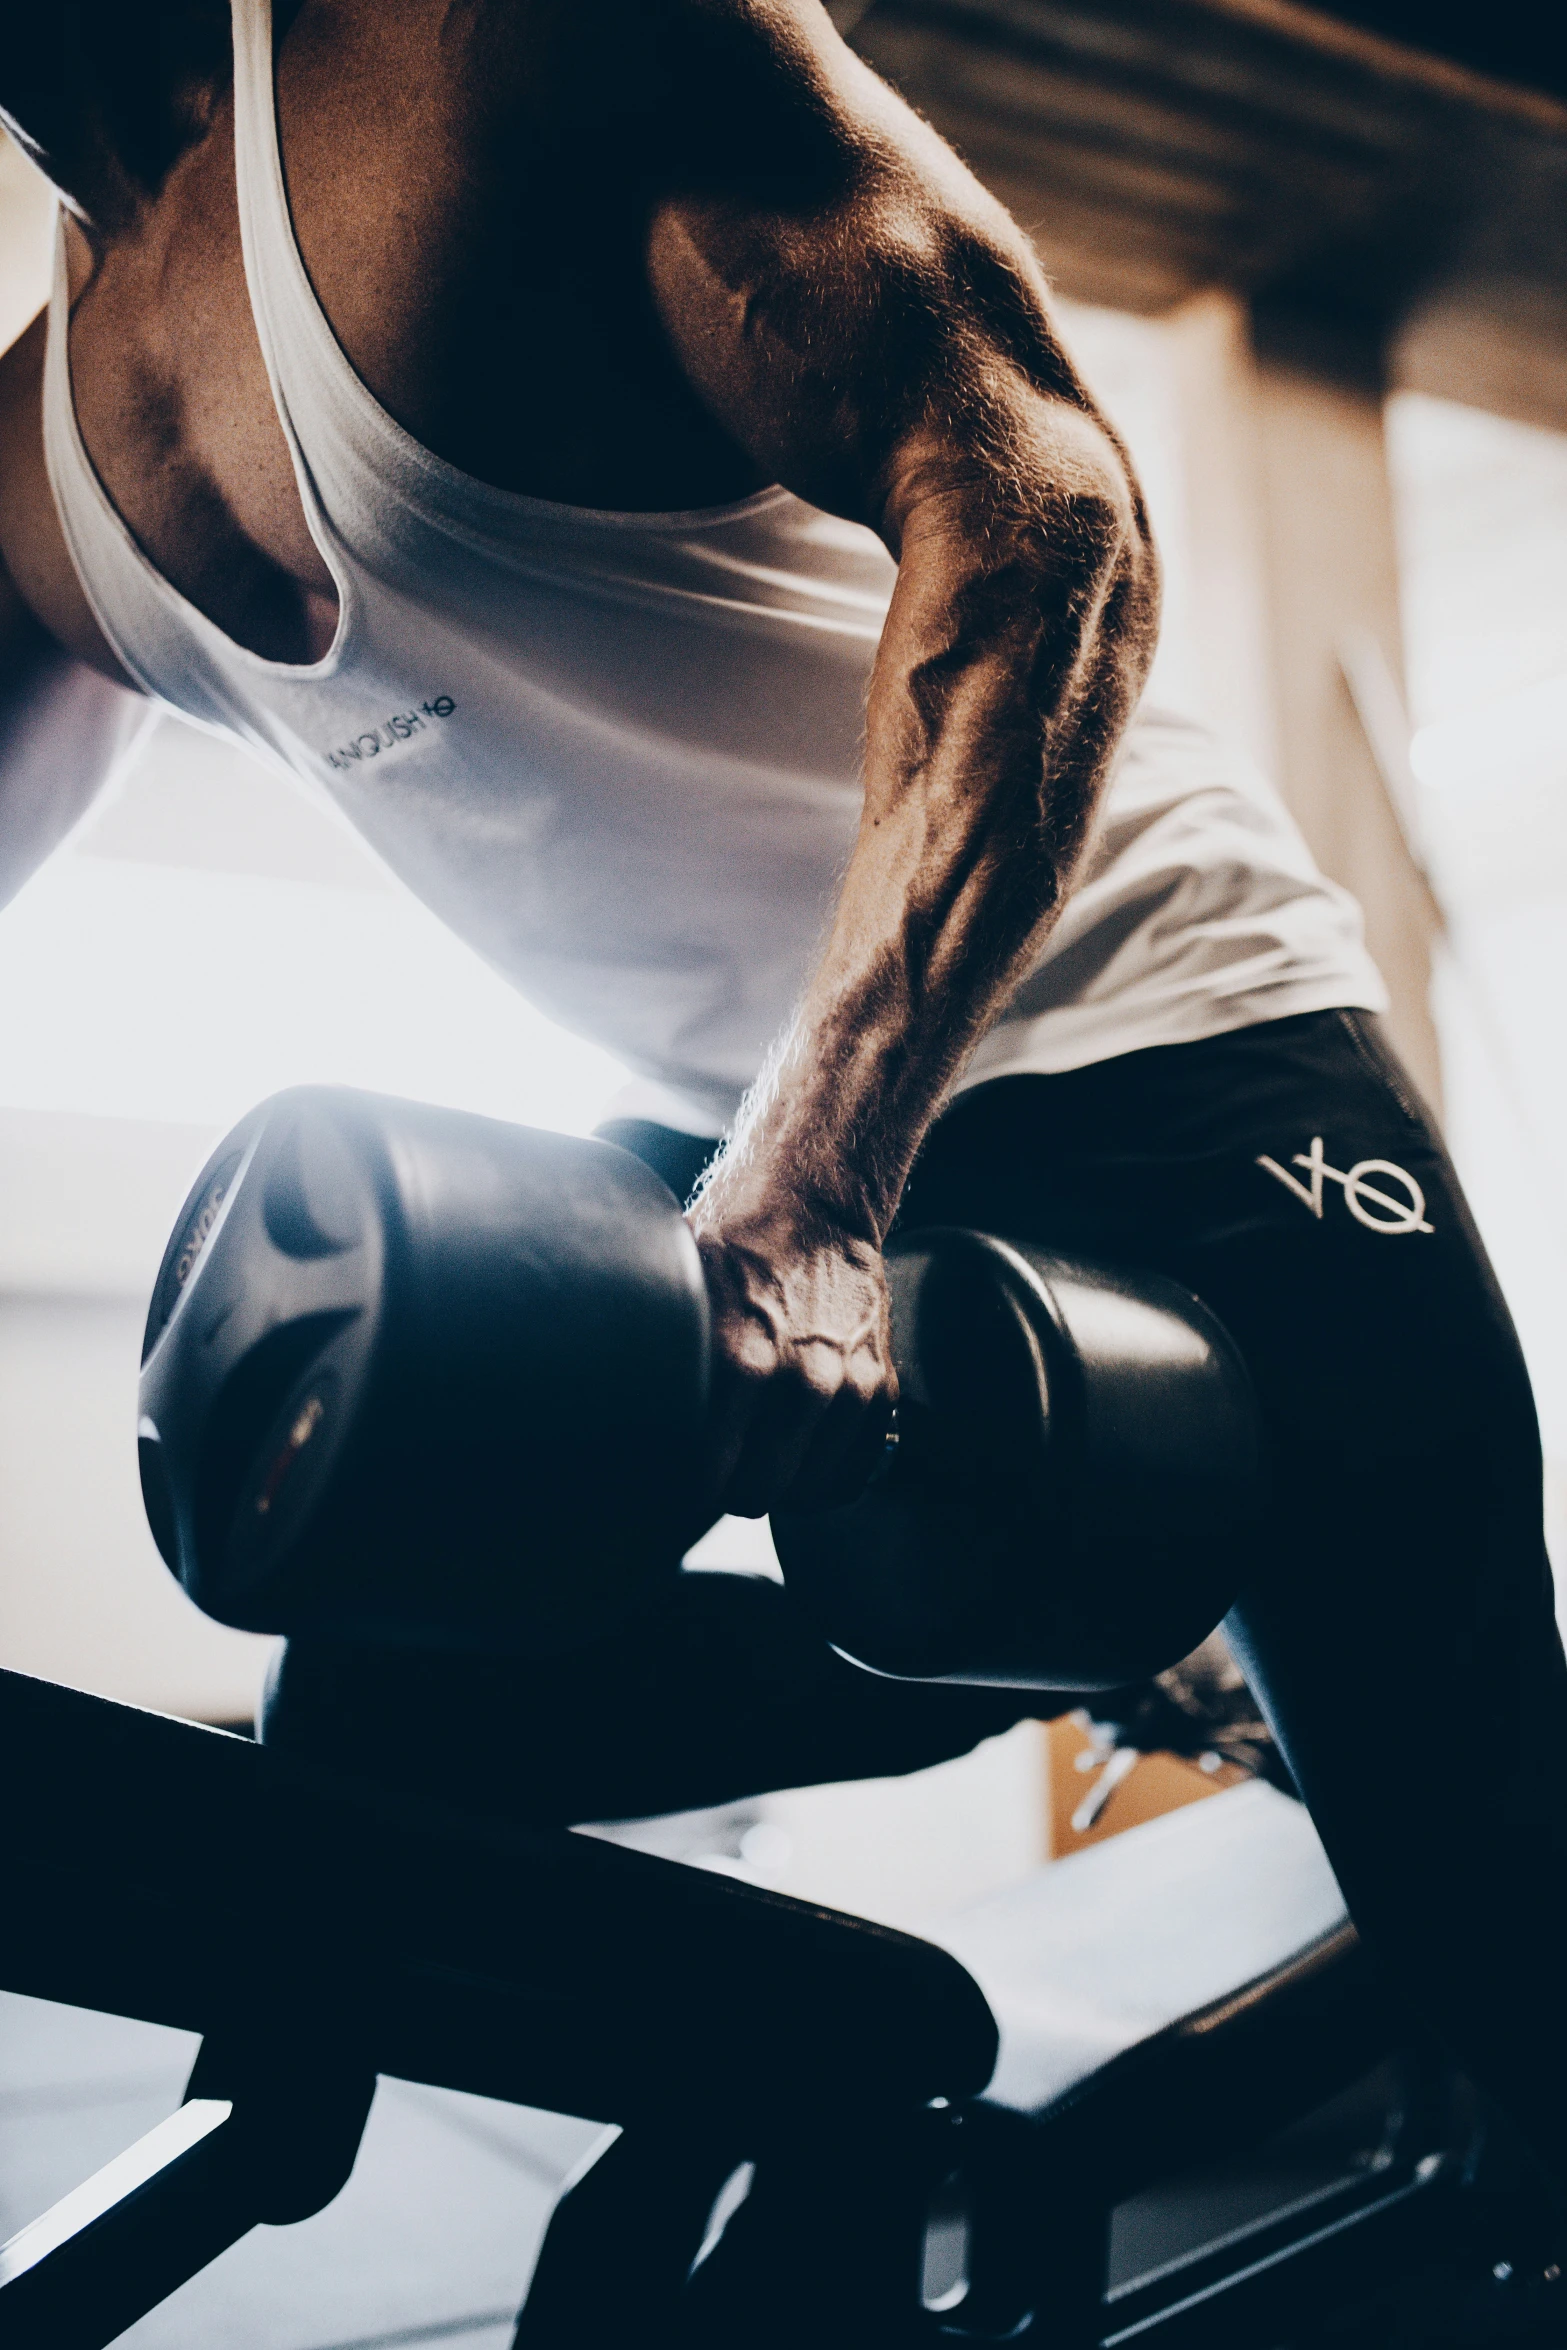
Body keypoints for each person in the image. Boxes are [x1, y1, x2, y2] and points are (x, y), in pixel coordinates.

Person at [3, 0, 1565, 2189]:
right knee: (374, 1692)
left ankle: (1188, 1605)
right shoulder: (44, 448)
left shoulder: (474, 52)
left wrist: (819, 1181)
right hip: (737, 1136)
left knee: (1494, 1915)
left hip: (1166, 1056)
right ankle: (1076, 1631)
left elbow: (1045, 516)